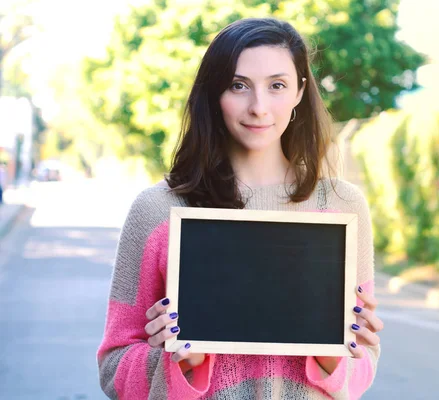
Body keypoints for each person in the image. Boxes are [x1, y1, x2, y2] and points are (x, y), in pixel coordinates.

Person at [97, 17, 383, 399]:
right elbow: (113, 370)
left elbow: (362, 364)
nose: (258, 108)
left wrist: (335, 356)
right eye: (238, 86)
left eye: (277, 86)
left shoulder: (342, 206)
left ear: (300, 91)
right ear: (215, 93)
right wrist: (182, 362)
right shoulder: (157, 210)